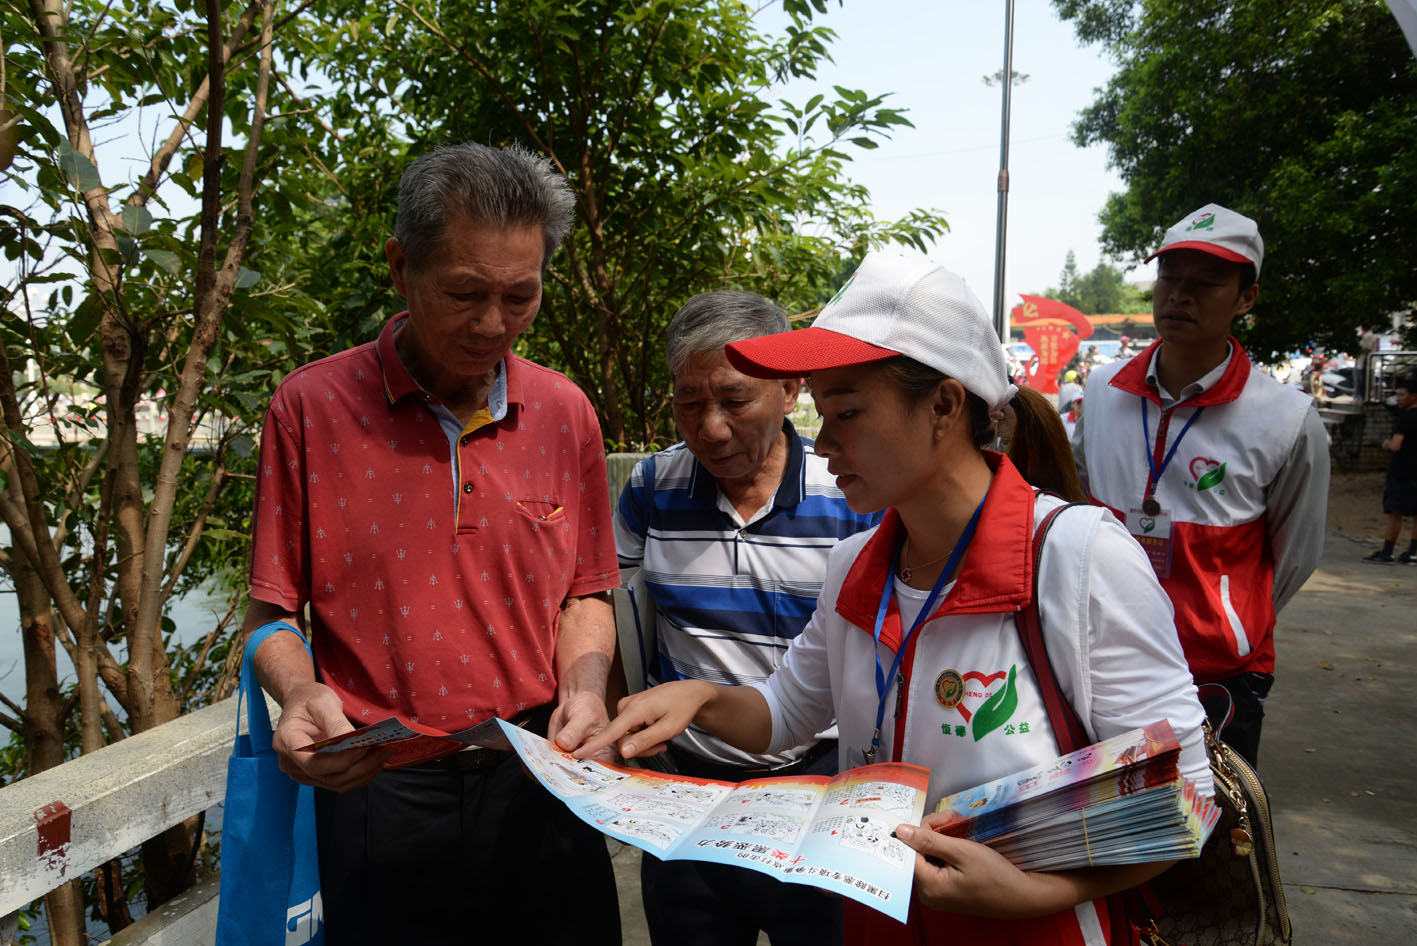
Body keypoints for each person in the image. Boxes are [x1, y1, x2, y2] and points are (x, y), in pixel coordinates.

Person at [581, 251, 1212, 946]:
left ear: (943, 404)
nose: (824, 447)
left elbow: (1183, 798)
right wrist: (698, 698)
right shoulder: (857, 563)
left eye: (846, 413)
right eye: (821, 415)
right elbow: (786, 712)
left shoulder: (1079, 558)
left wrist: (1037, 892)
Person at [243, 142, 622, 945]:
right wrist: (300, 693)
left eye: (521, 297)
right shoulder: (310, 408)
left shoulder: (565, 413)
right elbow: (272, 615)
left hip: (542, 775)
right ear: (398, 266)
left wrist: (586, 691)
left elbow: (584, 595)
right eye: (462, 293)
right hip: (378, 793)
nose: (492, 325)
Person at [615, 290, 878, 945]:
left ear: (791, 391)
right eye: (688, 403)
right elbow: (602, 605)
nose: (710, 427)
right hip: (684, 794)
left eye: (734, 400)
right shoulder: (652, 488)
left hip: (813, 789)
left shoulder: (849, 493)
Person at [1072, 203, 1329, 767]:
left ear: (1245, 298)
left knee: (1209, 841)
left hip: (1219, 676)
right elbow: (1078, 503)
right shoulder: (1100, 391)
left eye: (1207, 283)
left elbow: (1295, 553)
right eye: (1169, 278)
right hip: (1105, 659)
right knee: (1107, 841)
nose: (1179, 296)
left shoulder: (1285, 418)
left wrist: (1229, 619)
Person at [1362, 374, 1417, 565]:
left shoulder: (1405, 420)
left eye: (1402, 395)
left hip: (1402, 472)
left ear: (1414, 396)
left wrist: (1385, 444)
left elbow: (1396, 445)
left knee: (1395, 513)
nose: (1399, 398)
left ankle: (1387, 551)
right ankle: (1413, 552)